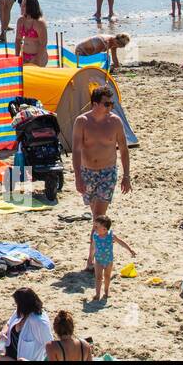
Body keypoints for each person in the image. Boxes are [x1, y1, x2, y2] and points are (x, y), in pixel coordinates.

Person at [71, 86, 132, 266]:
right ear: (95, 104)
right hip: (87, 172)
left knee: (98, 216)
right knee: (95, 218)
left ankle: (92, 259)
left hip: (108, 172)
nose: (110, 107)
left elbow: (124, 149)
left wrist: (126, 176)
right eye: (106, 104)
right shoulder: (82, 122)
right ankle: (98, 249)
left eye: (111, 103)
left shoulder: (115, 122)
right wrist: (78, 177)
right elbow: (75, 150)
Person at [0, 288, 53, 361]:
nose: (16, 306)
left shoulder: (39, 322)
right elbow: (8, 323)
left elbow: (50, 345)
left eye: (17, 303)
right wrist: (3, 332)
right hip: (6, 350)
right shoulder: (20, 312)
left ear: (23, 305)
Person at [90, 215, 134, 302]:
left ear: (105, 229)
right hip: (98, 259)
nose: (94, 228)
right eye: (94, 225)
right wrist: (91, 257)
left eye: (96, 226)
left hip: (109, 260)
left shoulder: (111, 235)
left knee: (107, 276)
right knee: (98, 277)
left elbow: (121, 242)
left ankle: (106, 292)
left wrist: (130, 249)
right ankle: (97, 294)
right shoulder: (95, 235)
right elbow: (93, 247)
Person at [14, 0, 48, 67]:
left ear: (31, 7)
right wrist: (17, 56)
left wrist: (36, 59)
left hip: (39, 56)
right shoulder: (20, 21)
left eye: (24, 5)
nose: (21, 7)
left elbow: (43, 44)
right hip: (24, 55)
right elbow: (18, 39)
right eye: (21, 5)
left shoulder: (39, 23)